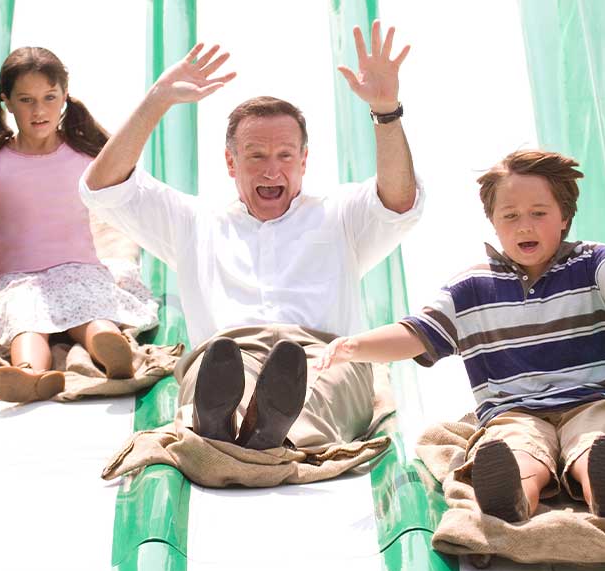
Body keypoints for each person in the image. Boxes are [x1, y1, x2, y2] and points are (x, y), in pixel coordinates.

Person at [80, 21, 420, 451]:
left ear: (303, 160)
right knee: (218, 373)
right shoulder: (195, 221)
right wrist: (157, 101)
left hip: (325, 355)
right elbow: (102, 189)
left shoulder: (339, 214)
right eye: (256, 156)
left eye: (284, 156)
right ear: (231, 162)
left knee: (315, 389)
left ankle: (261, 433)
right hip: (228, 354)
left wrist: (386, 111)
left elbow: (400, 199)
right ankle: (229, 423)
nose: (271, 170)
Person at [318, 149, 605, 521]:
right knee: (518, 449)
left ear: (564, 217)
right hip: (514, 410)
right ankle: (515, 495)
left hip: (593, 400)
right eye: (511, 216)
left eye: (539, 213)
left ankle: (603, 486)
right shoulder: (473, 287)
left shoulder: (590, 262)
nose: (524, 226)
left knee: (595, 439)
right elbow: (417, 333)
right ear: (493, 221)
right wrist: (355, 345)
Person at [0, 47, 158, 404]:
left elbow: (131, 189)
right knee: (26, 321)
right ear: (7, 103)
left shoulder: (84, 158)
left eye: (49, 97)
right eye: (26, 100)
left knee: (91, 312)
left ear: (63, 98)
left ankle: (112, 354)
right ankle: (29, 375)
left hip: (80, 270)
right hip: (20, 279)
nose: (39, 110)